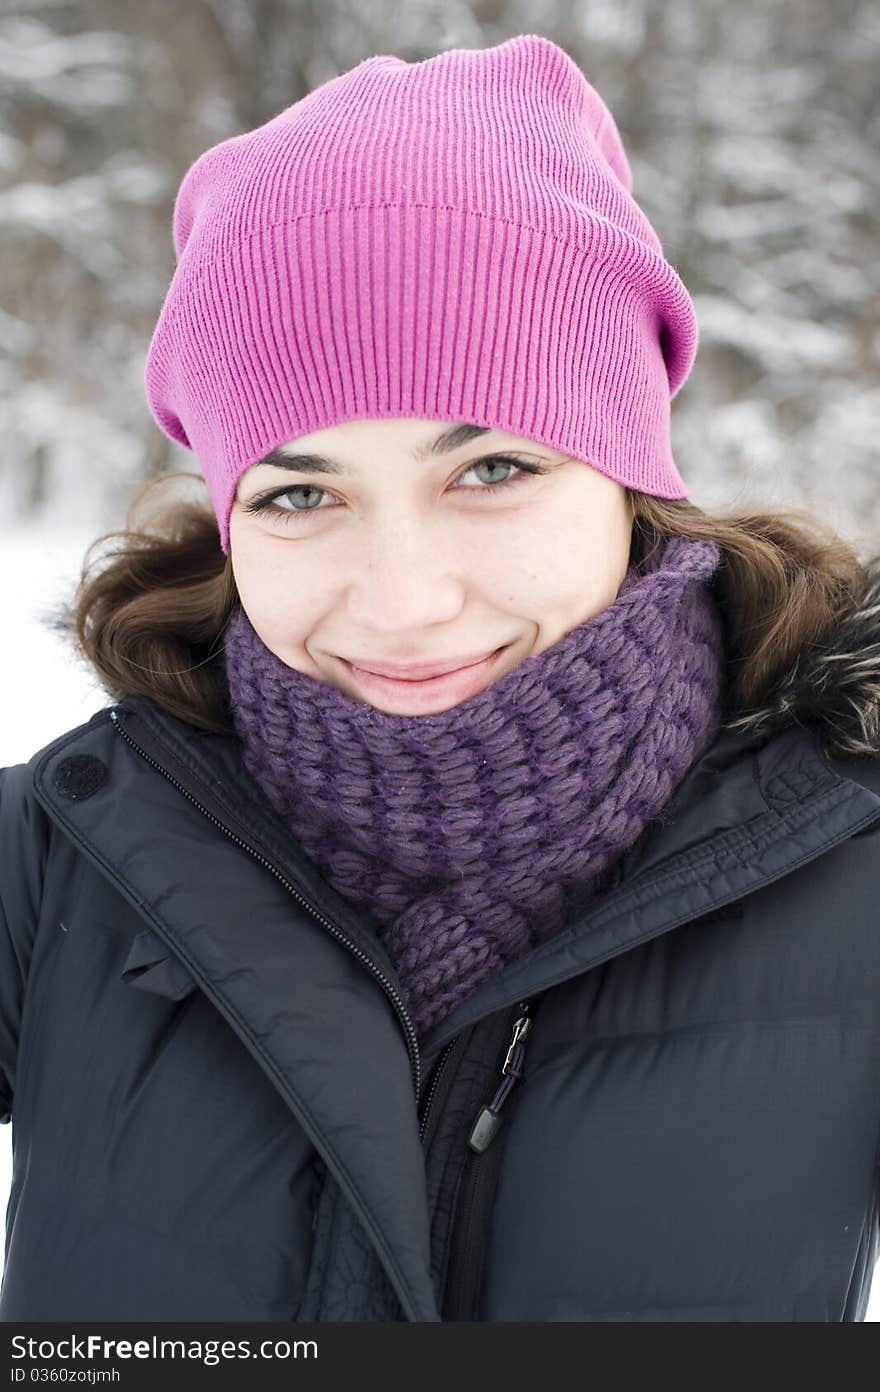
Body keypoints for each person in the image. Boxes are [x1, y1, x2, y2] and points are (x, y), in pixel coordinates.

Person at [2, 32, 879, 1324]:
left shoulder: (845, 876)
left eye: (492, 470)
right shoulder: (64, 859)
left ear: (628, 474)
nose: (404, 600)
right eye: (303, 492)